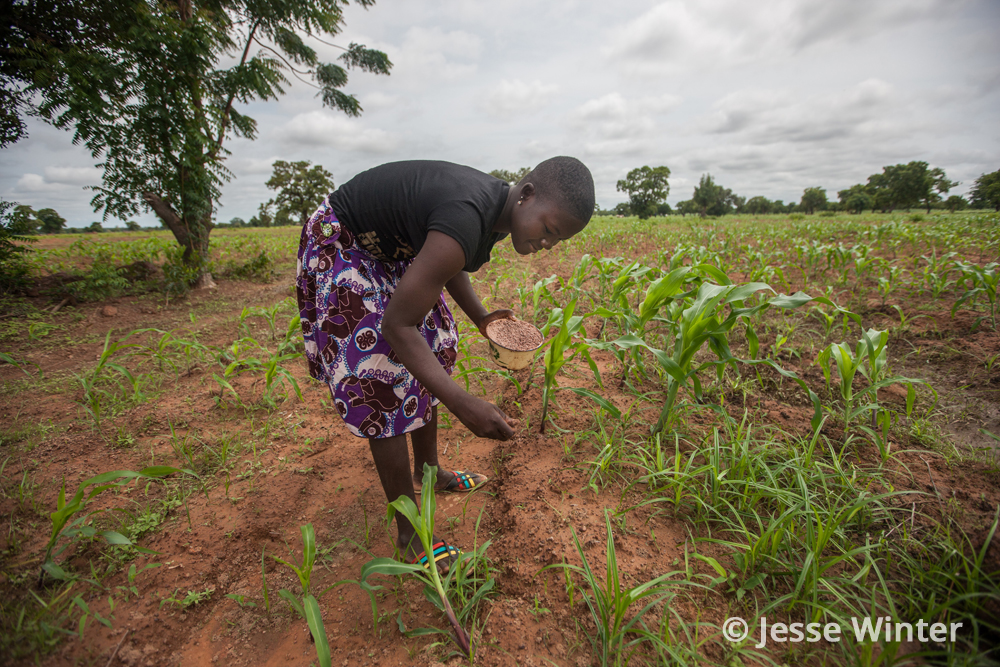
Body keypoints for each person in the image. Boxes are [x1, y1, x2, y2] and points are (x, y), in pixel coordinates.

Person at [296, 157, 594, 569]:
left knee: (433, 345)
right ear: (526, 195)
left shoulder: (493, 212)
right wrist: (461, 402)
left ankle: (430, 472)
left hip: (391, 249)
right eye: (548, 230)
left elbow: (446, 259)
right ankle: (409, 534)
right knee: (381, 375)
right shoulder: (468, 212)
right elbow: (398, 325)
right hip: (346, 243)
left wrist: (482, 318)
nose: (548, 245)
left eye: (557, 240)